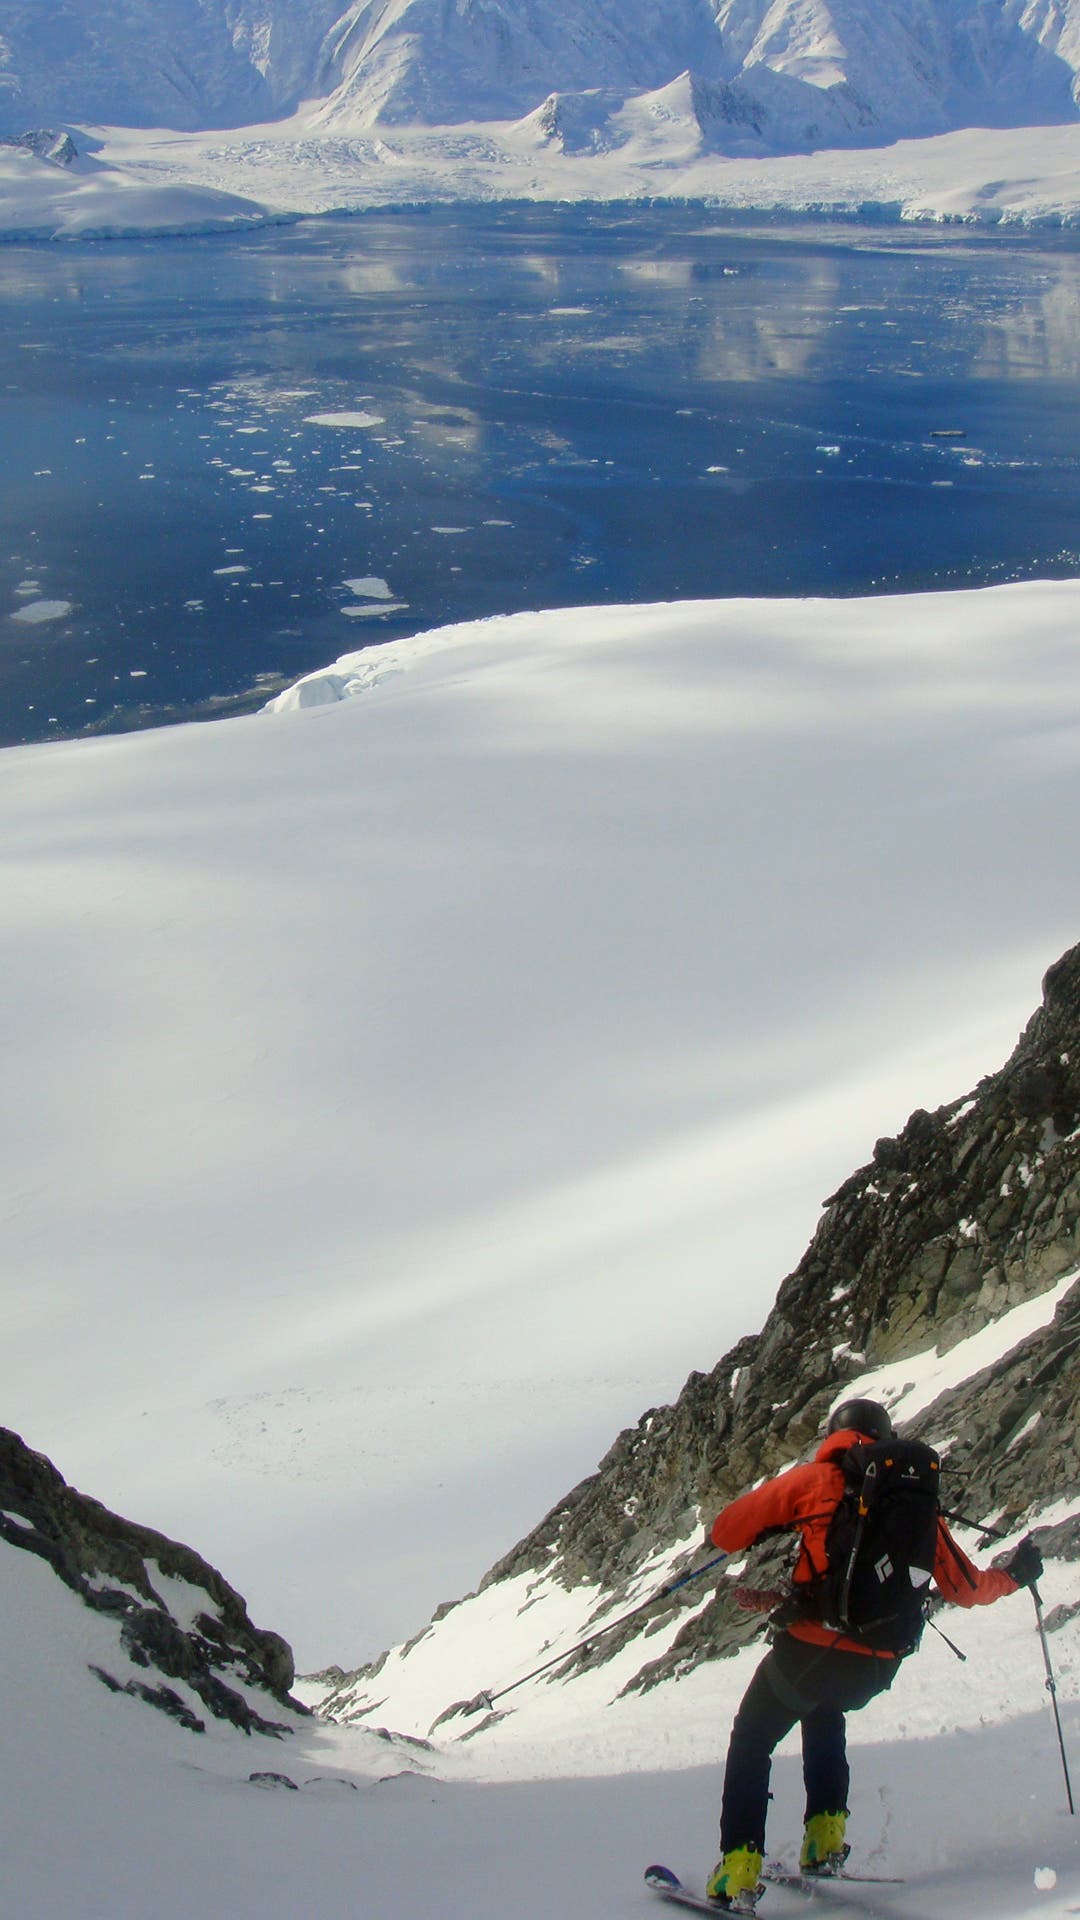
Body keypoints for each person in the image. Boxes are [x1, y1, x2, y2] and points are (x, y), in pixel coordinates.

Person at [703, 1396, 1043, 1909]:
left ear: (836, 1436)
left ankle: (738, 1867)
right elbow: (967, 1588)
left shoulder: (813, 1482)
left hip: (810, 1656)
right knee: (825, 1710)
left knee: (752, 1738)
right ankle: (825, 1840)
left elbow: (725, 1531)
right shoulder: (910, 1503)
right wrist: (1015, 1575)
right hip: (879, 1665)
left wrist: (781, 1523)